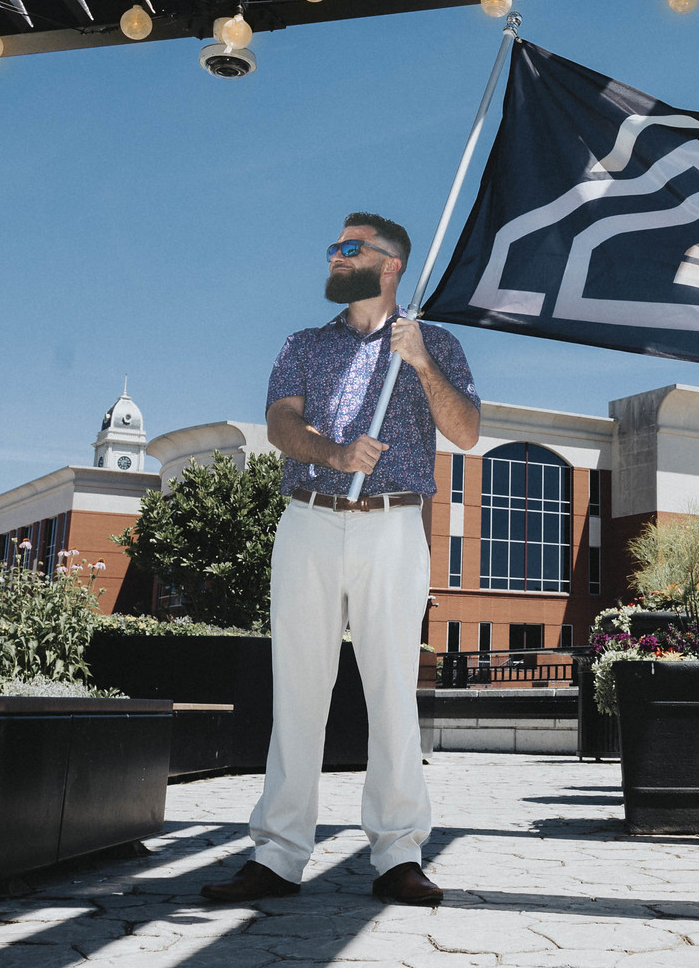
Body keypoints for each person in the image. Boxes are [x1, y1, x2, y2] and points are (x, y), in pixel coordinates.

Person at [201, 212, 480, 906]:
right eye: (332, 246)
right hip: (309, 522)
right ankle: (279, 854)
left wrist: (419, 362)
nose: (333, 255)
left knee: (390, 690)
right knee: (296, 689)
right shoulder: (302, 344)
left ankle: (397, 855)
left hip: (392, 526)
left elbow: (468, 431)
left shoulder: (435, 341)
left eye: (348, 247)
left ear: (389, 265)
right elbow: (280, 422)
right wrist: (332, 452)